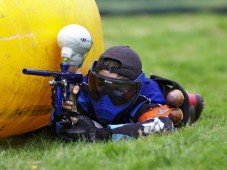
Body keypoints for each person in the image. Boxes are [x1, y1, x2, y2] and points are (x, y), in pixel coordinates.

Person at [49, 46, 204, 142]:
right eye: (101, 84)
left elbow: (163, 127)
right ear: (92, 78)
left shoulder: (147, 96)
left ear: (135, 87)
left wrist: (102, 135)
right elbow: (59, 123)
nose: (106, 98)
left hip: (158, 106)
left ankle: (192, 102)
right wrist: (65, 112)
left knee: (179, 114)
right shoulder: (83, 86)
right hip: (124, 119)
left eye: (118, 88)